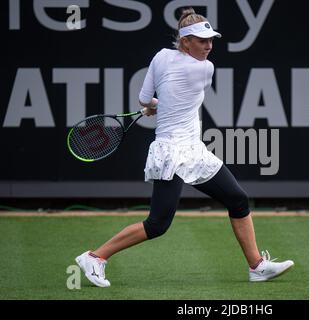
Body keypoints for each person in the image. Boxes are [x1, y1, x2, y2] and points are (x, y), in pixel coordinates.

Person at [75, 8, 294, 288]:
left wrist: (156, 106)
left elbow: (145, 99)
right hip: (173, 152)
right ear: (185, 40)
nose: (209, 46)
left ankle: (257, 266)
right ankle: (95, 257)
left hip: (192, 150)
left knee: (237, 199)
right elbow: (165, 99)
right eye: (202, 41)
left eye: (211, 40)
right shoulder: (204, 69)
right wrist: (160, 106)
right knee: (157, 224)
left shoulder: (161, 57)